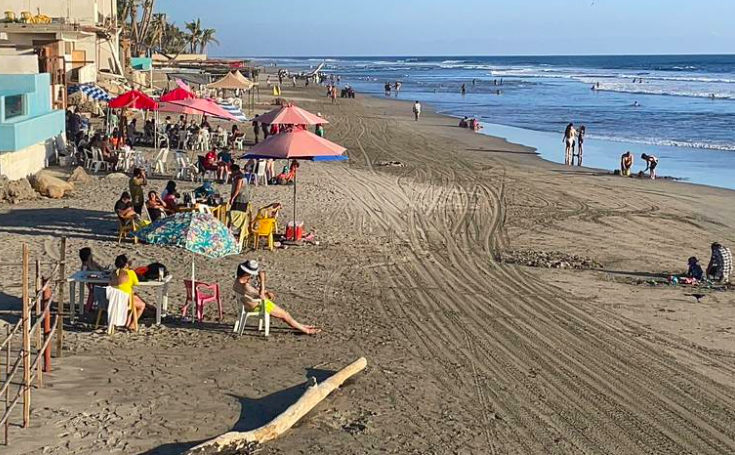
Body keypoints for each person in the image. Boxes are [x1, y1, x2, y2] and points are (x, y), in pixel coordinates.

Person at [234, 260, 320, 335]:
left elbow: (254, 292)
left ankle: (300, 325)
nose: (251, 276)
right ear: (246, 273)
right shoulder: (246, 286)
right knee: (285, 315)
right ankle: (306, 330)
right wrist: (263, 281)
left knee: (285, 314)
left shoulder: (237, 282)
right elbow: (262, 296)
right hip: (258, 306)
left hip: (247, 304)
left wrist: (265, 291)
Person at [109, 255, 147, 329]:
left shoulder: (113, 272)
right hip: (125, 300)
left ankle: (127, 322)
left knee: (135, 298)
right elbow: (136, 283)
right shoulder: (130, 273)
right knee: (142, 305)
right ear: (126, 264)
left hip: (113, 300)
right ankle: (132, 324)